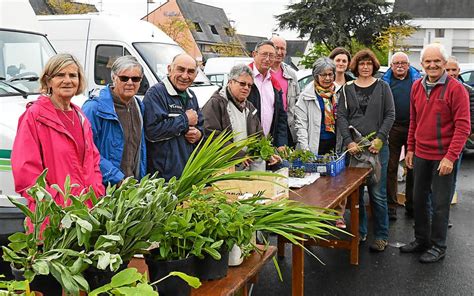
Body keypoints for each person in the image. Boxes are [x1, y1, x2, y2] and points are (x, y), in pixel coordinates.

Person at [401, 44, 470, 263]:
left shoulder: (456, 89)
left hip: (444, 157)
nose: (432, 65)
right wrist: (410, 148)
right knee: (419, 200)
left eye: (437, 61)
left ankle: (439, 246)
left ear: (444, 62)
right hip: (421, 154)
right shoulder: (416, 87)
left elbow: (463, 127)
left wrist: (450, 156)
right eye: (428, 61)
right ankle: (422, 240)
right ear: (421, 64)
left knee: (440, 204)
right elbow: (414, 120)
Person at [11, 53, 104, 215]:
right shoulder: (35, 116)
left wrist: (96, 193)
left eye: (73, 75)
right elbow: (26, 171)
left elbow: (93, 162)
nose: (67, 80)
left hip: (85, 215)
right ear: (48, 81)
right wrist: (56, 206)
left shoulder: (81, 117)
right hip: (53, 219)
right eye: (60, 75)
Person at [337, 49, 395, 252]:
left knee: (377, 193)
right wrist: (348, 141)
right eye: (361, 63)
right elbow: (342, 117)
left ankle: (381, 235)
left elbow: (390, 114)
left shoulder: (383, 87)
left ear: (374, 66)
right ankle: (359, 231)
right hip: (356, 149)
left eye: (368, 63)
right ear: (356, 66)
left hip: (378, 148)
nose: (365, 67)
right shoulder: (346, 88)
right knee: (357, 194)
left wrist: (380, 139)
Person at [295, 57, 346, 228]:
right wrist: (306, 149)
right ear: (315, 76)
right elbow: (300, 125)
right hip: (314, 143)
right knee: (315, 183)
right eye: (323, 75)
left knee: (338, 181)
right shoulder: (306, 96)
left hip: (335, 142)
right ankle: (314, 216)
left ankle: (338, 215)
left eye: (330, 74)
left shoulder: (341, 92)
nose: (327, 78)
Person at [82, 55, 146, 186]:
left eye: (135, 79)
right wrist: (115, 177)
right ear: (113, 78)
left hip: (130, 187)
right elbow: (86, 150)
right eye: (124, 78)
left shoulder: (139, 106)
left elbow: (140, 149)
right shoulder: (94, 108)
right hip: (103, 187)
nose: (130, 83)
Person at [202, 64, 281, 166]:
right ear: (230, 82)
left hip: (245, 167)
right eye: (242, 84)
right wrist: (239, 155)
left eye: (249, 85)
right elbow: (212, 135)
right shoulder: (216, 103)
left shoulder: (250, 107)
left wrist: (270, 154)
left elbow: (259, 136)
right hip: (222, 167)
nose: (246, 88)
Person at [143, 53, 203, 181]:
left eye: (190, 72)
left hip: (186, 174)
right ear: (169, 69)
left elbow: (202, 126)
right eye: (180, 69)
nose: (185, 76)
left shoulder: (192, 96)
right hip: (163, 178)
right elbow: (151, 132)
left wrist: (198, 134)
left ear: (196, 75)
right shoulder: (155, 94)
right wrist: (185, 120)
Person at [382, 52, 421, 220]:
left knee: (412, 167)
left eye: (403, 63)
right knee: (390, 167)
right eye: (396, 63)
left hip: (414, 127)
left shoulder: (417, 81)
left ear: (408, 65)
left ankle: (411, 204)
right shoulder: (385, 82)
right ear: (391, 65)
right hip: (393, 128)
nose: (400, 66)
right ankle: (391, 205)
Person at [247, 40, 288, 149]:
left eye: (271, 55)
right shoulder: (243, 79)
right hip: (245, 146)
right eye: (264, 54)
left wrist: (281, 144)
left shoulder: (275, 84)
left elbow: (281, 117)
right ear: (254, 54)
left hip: (268, 146)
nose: (267, 59)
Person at [270, 36, 300, 147]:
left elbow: (297, 101)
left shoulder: (291, 74)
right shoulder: (264, 73)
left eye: (282, 49)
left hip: (288, 125)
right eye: (276, 48)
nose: (279, 52)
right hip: (270, 124)